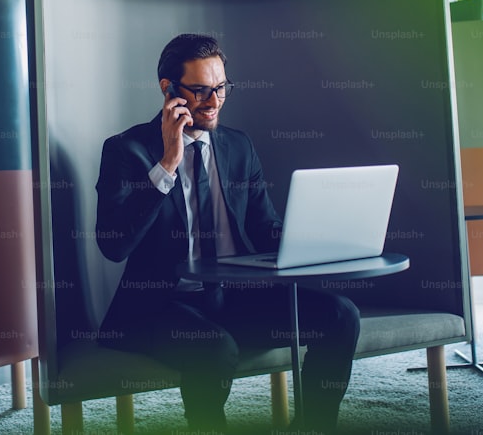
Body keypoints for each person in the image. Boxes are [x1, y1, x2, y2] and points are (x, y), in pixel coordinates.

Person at [95, 33, 361, 434]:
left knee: (341, 315)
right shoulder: (126, 150)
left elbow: (264, 227)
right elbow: (114, 245)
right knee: (214, 348)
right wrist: (168, 163)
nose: (214, 101)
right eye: (201, 90)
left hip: (231, 298)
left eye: (221, 88)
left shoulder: (238, 146)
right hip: (158, 305)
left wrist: (320, 240)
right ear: (169, 89)